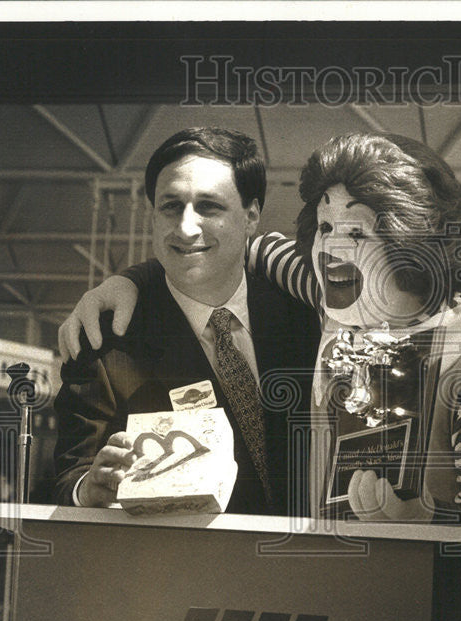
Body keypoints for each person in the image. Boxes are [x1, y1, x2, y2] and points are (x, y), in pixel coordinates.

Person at [60, 132, 461, 525]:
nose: (332, 249)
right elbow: (243, 247)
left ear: (411, 242)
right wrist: (134, 279)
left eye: (358, 233)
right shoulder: (330, 302)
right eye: (326, 229)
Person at [52, 127, 319, 515]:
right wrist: (88, 489)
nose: (185, 227)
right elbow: (64, 479)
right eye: (171, 206)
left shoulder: (305, 315)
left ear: (251, 216)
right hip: (181, 570)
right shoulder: (106, 343)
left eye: (209, 207)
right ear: (153, 216)